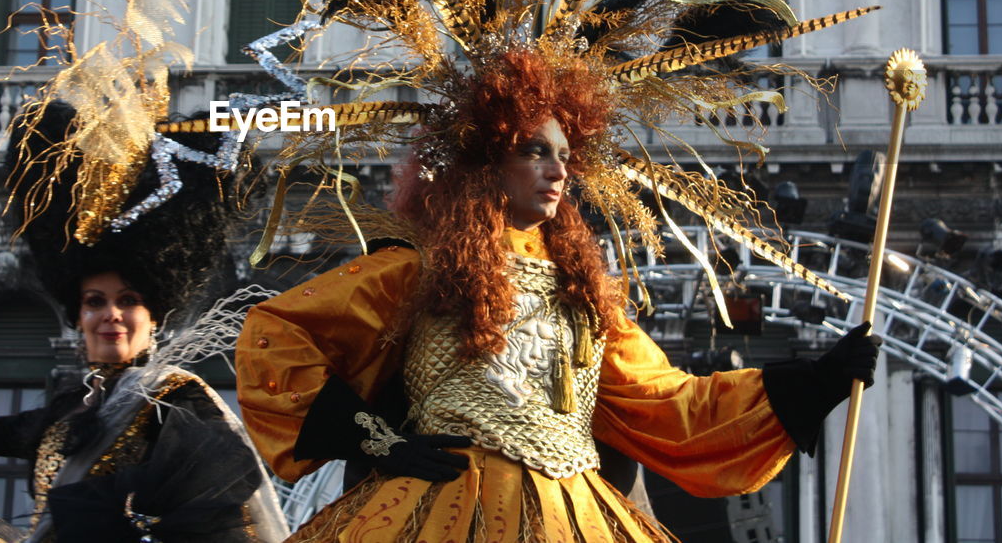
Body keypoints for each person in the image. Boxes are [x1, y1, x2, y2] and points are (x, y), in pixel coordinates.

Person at [235, 50, 881, 541]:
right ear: (489, 160)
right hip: (441, 509)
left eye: (565, 154)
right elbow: (274, 336)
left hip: (575, 514)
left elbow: (669, 402)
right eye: (534, 150)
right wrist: (378, 440)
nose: (557, 169)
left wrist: (815, 381)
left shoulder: (589, 296)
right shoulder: (419, 270)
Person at [0, 101, 288, 543]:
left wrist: (107, 510)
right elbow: (9, 432)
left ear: (153, 318)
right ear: (78, 315)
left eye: (127, 301)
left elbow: (223, 477)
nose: (111, 314)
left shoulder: (173, 401)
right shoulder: (68, 410)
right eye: (95, 302)